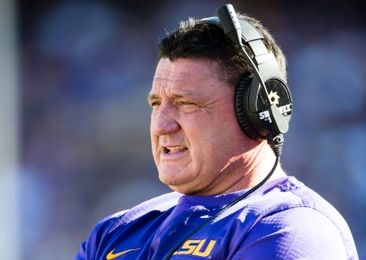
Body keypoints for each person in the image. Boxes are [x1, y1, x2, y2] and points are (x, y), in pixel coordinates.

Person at [76, 4, 358, 260]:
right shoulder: (114, 232)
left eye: (187, 104)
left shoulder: (293, 230)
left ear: (258, 108)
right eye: (156, 104)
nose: (161, 125)